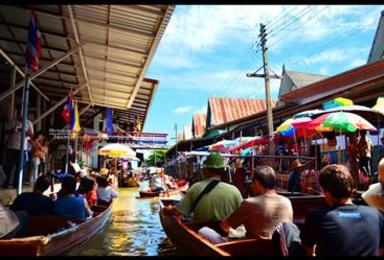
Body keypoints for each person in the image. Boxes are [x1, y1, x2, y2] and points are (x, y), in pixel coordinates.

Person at [300, 164, 384, 256]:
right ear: (351, 188)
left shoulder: (317, 216)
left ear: (326, 193)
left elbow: (307, 249)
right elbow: (380, 250)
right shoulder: (375, 215)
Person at [198, 166, 293, 244]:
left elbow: (224, 227)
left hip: (252, 250)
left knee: (204, 231)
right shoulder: (287, 202)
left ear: (256, 183)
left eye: (252, 184)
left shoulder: (250, 203)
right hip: (280, 249)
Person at [161, 152, 243, 222]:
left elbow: (178, 212)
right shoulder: (235, 190)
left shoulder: (195, 187)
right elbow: (243, 214)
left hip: (201, 232)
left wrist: (167, 209)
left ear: (206, 170)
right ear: (222, 170)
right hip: (227, 233)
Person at [3, 107, 34, 188]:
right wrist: (14, 130)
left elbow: (31, 135)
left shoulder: (28, 123)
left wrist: (23, 131)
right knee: (8, 167)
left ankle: (17, 185)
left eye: (21, 112)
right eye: (18, 112)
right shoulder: (12, 122)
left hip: (22, 149)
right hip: (11, 148)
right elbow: (6, 132)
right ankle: (4, 184)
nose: (19, 114)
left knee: (20, 168)